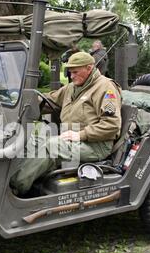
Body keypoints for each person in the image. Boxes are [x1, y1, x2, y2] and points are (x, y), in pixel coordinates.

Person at [10, 52, 122, 196]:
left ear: (89, 68)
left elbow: (112, 125)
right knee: (32, 140)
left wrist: (80, 135)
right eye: (70, 72)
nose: (72, 76)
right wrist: (21, 100)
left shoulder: (105, 88)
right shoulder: (72, 87)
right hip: (70, 137)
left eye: (75, 72)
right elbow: (49, 100)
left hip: (96, 145)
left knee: (52, 146)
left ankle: (16, 188)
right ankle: (10, 177)